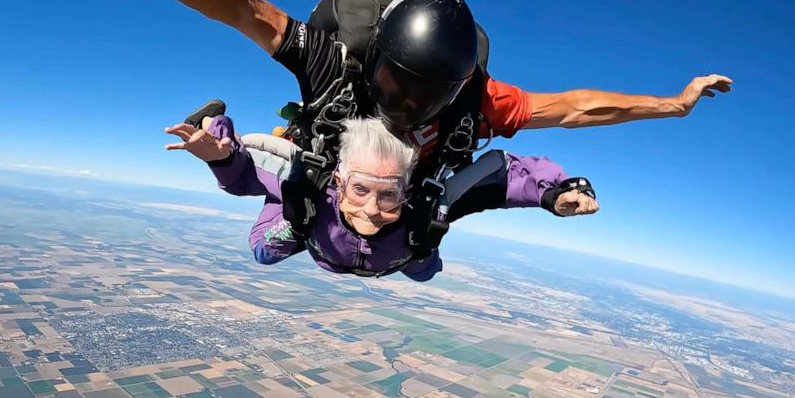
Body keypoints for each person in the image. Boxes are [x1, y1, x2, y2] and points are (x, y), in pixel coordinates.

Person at [171, 0, 733, 158]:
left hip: (393, 190)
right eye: (399, 83)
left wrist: (673, 105)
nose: (410, 102)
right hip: (331, 158)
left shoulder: (475, 99)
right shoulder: (334, 63)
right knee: (285, 154)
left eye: (428, 92)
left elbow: (575, 108)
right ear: (374, 64)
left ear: (457, 84)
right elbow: (245, 9)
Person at [164, 112, 598, 281]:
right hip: (307, 224)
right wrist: (218, 155)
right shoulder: (312, 188)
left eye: (388, 194)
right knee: (267, 250)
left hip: (394, 253)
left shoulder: (424, 207)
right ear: (338, 181)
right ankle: (293, 216)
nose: (372, 208)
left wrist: (554, 194)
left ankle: (415, 242)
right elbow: (246, 174)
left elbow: (499, 176)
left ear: (405, 191)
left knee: (425, 262)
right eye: (360, 189)